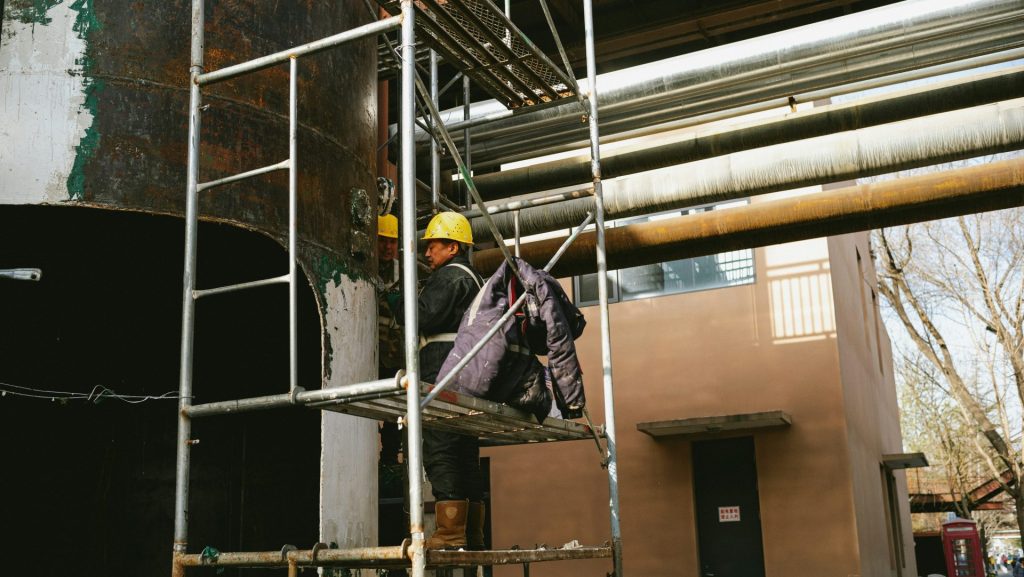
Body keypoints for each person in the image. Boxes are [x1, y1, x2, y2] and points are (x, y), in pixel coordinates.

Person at [390, 211, 485, 550]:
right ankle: (472, 532)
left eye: (433, 246)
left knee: (441, 447)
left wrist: (397, 299)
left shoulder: (451, 277)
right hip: (466, 372)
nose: (427, 253)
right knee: (464, 453)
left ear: (454, 248)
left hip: (441, 369)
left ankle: (449, 532)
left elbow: (423, 316)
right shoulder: (477, 280)